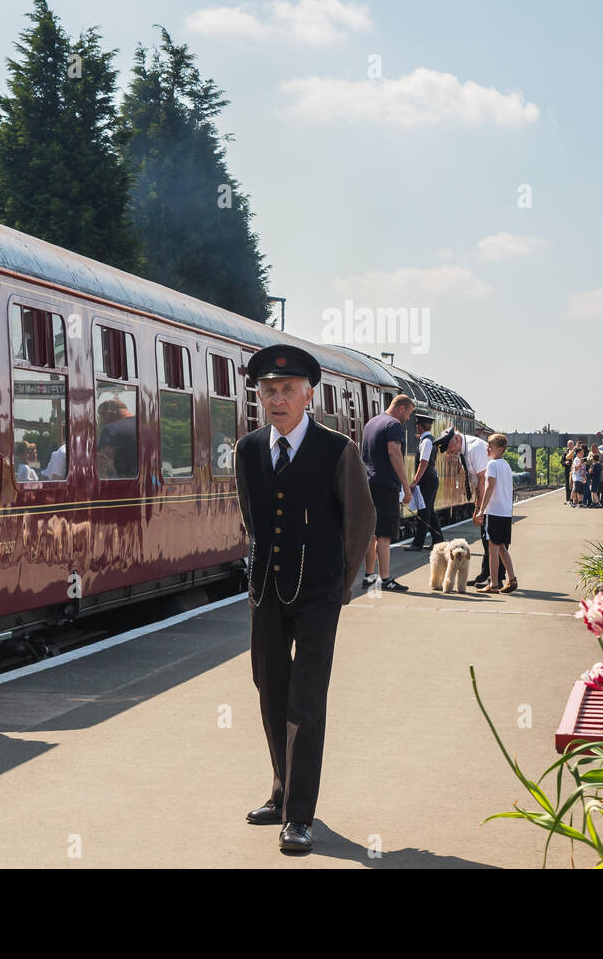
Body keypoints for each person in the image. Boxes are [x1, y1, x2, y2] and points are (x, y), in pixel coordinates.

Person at [236, 343, 376, 854]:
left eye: (287, 390)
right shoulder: (249, 449)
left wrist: (340, 585)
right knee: (269, 689)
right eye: (268, 391)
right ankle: (280, 790)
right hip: (266, 591)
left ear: (308, 394)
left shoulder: (338, 450)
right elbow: (251, 515)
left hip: (318, 593)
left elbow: (361, 520)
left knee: (306, 698)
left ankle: (300, 815)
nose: (277, 400)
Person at [360, 394, 414, 591]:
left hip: (368, 484)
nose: (408, 418)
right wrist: (406, 486)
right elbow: (394, 454)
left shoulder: (371, 423)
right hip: (385, 486)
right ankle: (385, 578)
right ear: (401, 408)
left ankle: (369, 576)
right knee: (384, 535)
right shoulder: (393, 425)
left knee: (371, 533)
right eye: (408, 413)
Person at [439, 428, 492, 584]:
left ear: (456, 439)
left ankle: (493, 577)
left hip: (492, 499)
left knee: (490, 538)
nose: (449, 453)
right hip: (487, 498)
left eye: (449, 448)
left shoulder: (474, 448)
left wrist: (479, 510)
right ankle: (487, 574)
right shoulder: (464, 450)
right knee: (486, 537)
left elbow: (483, 481)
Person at [474, 433, 518, 593]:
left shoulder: (492, 464)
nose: (487, 448)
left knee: (492, 549)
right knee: (501, 548)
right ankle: (512, 579)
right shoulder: (506, 465)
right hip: (505, 512)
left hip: (494, 512)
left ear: (500, 449)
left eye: (490, 446)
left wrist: (481, 510)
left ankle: (493, 584)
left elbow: (489, 487)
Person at [409, 415, 445, 550]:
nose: (416, 427)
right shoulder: (428, 440)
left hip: (427, 480)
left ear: (420, 426)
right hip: (430, 479)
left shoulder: (426, 442)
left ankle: (418, 543)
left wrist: (414, 482)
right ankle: (438, 541)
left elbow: (423, 463)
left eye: (417, 425)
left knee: (423, 512)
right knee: (429, 511)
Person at [97, 397, 138, 479]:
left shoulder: (111, 428)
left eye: (101, 415)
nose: (102, 419)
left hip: (122, 482)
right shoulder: (146, 426)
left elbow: (103, 460)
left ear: (109, 412)